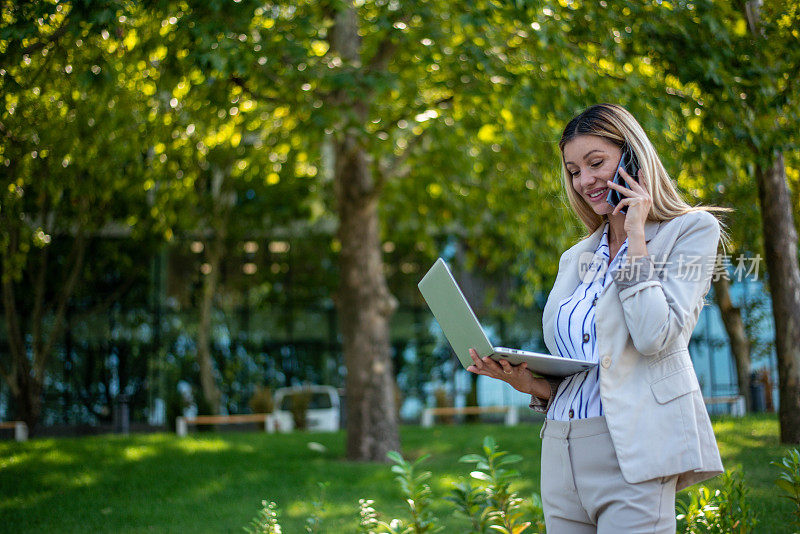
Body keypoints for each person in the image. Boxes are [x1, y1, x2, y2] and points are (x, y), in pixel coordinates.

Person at [467, 103, 725, 533]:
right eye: (573, 171)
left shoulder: (691, 231)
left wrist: (636, 235)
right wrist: (530, 384)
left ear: (633, 159)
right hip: (561, 450)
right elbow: (589, 367)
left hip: (633, 453)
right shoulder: (576, 256)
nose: (584, 180)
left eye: (596, 163)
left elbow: (655, 336)